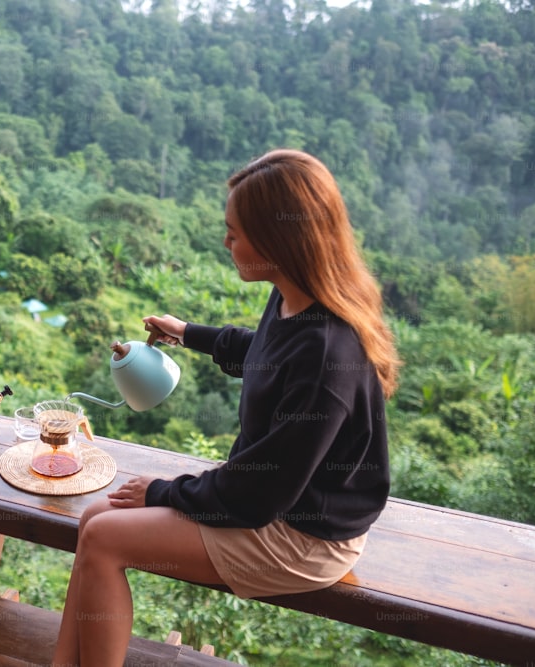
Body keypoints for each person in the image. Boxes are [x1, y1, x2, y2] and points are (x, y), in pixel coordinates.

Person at [51, 149, 400, 667]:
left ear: (278, 241)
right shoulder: (294, 298)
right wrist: (187, 333)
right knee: (94, 521)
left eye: (235, 233)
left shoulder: (327, 352)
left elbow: (258, 496)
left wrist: (161, 491)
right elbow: (263, 351)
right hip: (271, 500)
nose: (226, 242)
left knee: (104, 537)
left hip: (306, 535)